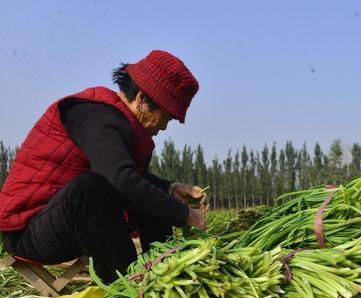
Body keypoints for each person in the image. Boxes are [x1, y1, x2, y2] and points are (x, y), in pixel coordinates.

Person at [0, 50, 208, 283]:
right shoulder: (95, 115)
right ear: (141, 99)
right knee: (89, 188)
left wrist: (170, 188)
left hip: (65, 223)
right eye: (166, 117)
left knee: (151, 196)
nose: (164, 127)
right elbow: (120, 179)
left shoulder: (115, 120)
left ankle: (164, 269)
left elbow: (125, 175)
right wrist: (185, 214)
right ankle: (127, 284)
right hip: (28, 232)